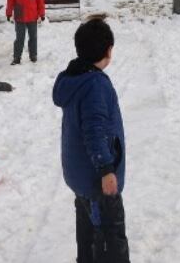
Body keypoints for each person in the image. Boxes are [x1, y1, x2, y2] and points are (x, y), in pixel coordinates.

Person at [53, 17, 130, 263]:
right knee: (109, 238)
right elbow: (95, 131)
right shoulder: (94, 84)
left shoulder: (74, 77)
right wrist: (106, 170)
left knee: (88, 230)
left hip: (81, 176)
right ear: (108, 50)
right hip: (98, 180)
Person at [7, 0, 47, 65]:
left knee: (33, 37)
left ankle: (33, 56)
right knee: (19, 38)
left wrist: (42, 13)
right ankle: (17, 58)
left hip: (32, 15)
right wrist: (8, 12)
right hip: (19, 15)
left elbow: (40, 0)